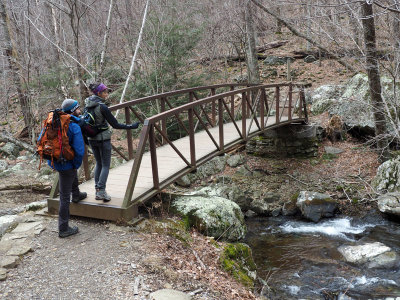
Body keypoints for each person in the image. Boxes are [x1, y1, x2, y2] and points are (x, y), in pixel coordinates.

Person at [85, 83, 139, 202]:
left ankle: (97, 190)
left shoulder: (87, 105)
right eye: (105, 92)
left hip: (92, 139)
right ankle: (101, 191)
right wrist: (131, 126)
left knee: (99, 163)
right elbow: (115, 124)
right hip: (103, 139)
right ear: (98, 93)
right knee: (105, 165)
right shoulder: (102, 107)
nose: (107, 94)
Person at [46, 99, 86, 238]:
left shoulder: (53, 122)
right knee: (64, 197)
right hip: (67, 165)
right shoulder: (73, 125)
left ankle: (76, 194)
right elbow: (80, 150)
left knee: (70, 178)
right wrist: (75, 164)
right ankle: (63, 228)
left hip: (57, 162)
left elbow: (43, 142)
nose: (80, 111)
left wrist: (51, 163)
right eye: (78, 109)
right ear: (72, 111)